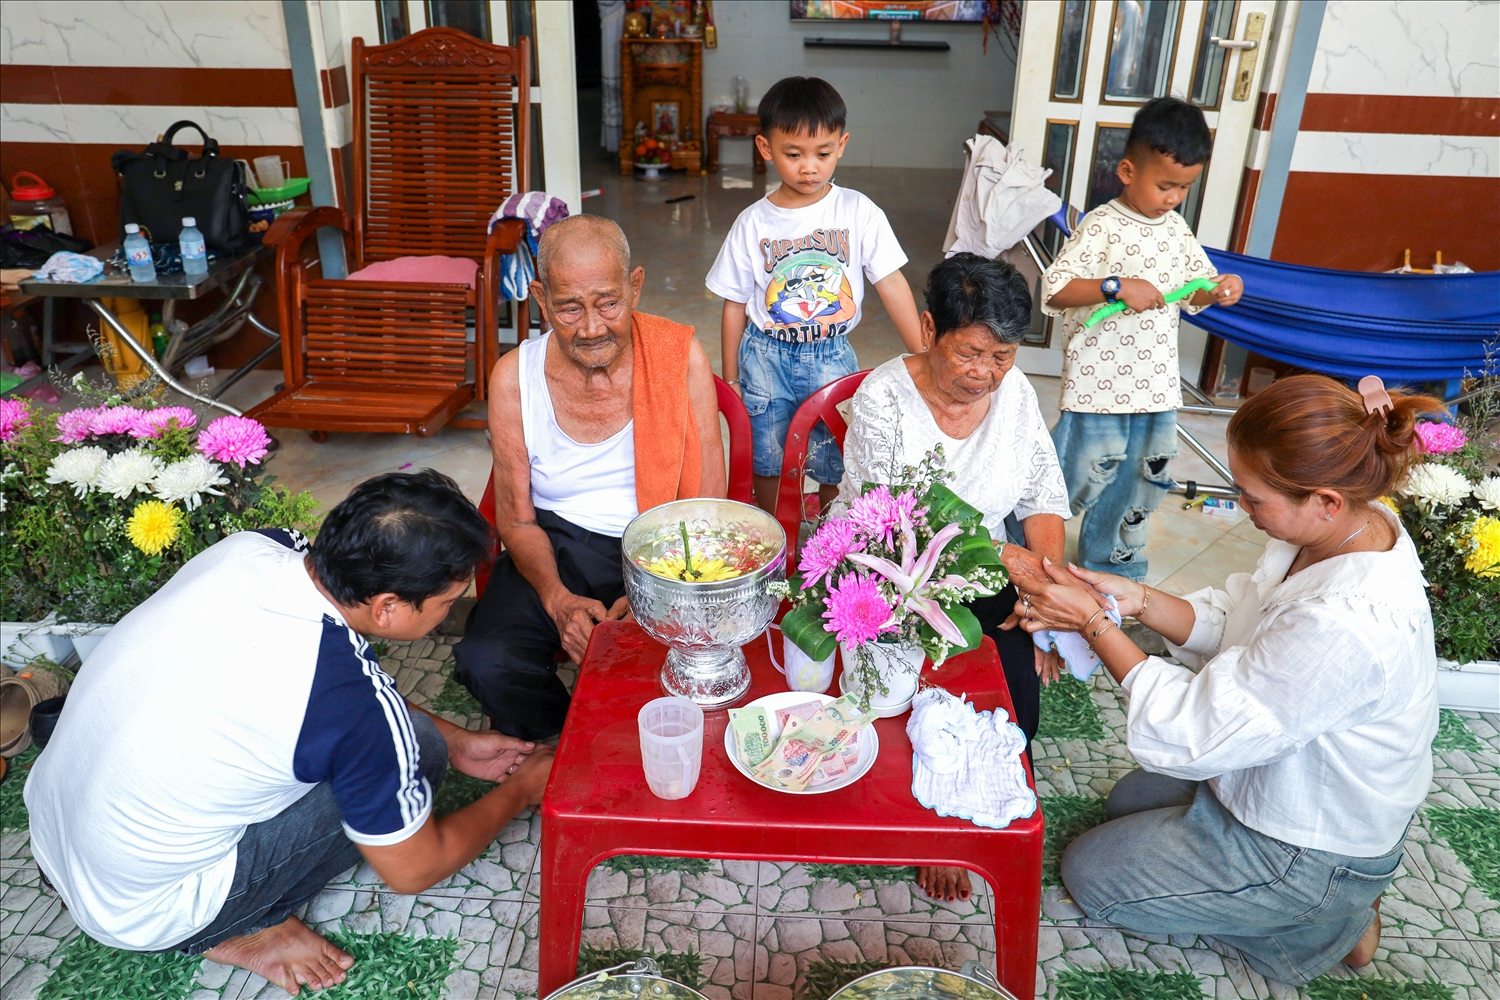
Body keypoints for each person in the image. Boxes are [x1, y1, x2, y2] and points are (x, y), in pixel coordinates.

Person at [25, 471, 554, 997]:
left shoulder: (255, 548)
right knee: (419, 749)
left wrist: (462, 741)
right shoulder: (352, 709)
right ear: (387, 607)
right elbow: (415, 869)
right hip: (141, 907)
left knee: (400, 734)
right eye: (447, 602)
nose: (446, 616)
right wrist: (519, 791)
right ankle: (228, 928)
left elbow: (347, 700)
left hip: (56, 830)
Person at [1012, 375, 1442, 985]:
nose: (1241, 508)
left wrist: (1093, 627)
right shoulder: (1346, 528)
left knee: (1092, 876)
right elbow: (1239, 622)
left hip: (1309, 845)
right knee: (1125, 801)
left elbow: (1197, 732)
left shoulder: (1346, 622)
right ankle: (1306, 899)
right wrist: (1132, 599)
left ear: (1324, 499)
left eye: (1251, 496)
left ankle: (1324, 923)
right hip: (1273, 775)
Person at [835, 253, 1071, 903]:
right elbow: (884, 523)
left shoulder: (1013, 394)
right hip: (886, 570)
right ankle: (922, 820)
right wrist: (1002, 560)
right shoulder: (883, 397)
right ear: (930, 328)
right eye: (971, 353)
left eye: (1003, 356)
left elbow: (1041, 496)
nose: (985, 374)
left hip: (987, 570)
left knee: (1016, 713)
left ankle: (960, 809)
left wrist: (1042, 591)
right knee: (897, 699)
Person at [456, 215, 726, 741]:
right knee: (486, 661)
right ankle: (566, 741)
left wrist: (658, 593)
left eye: (608, 302)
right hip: (555, 542)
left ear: (635, 286)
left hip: (663, 544)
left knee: (686, 657)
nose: (592, 327)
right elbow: (516, 519)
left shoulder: (679, 357)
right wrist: (557, 599)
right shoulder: (514, 377)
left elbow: (707, 502)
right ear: (539, 298)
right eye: (569, 307)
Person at [1041, 96, 1244, 580]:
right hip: (1097, 390)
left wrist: (1222, 290)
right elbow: (1056, 288)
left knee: (1134, 485)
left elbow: (1198, 289)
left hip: (1154, 389)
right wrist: (1114, 285)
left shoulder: (1176, 230)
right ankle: (1024, 547)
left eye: (1184, 188)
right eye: (1165, 184)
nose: (1173, 197)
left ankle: (1111, 569)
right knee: (1072, 476)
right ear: (1128, 170)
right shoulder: (1101, 227)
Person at [708, 75, 924, 513]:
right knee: (766, 454)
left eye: (823, 154)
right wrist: (731, 380)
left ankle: (827, 538)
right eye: (794, 154)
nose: (810, 167)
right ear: (765, 148)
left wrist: (922, 354)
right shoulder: (753, 223)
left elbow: (891, 282)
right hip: (764, 356)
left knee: (833, 459)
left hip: (831, 354)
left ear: (841, 145)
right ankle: (772, 530)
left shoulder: (857, 211)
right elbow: (735, 304)